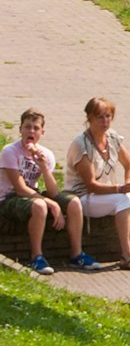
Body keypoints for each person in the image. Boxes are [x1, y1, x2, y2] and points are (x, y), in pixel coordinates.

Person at [0, 109, 98, 275]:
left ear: (42, 132)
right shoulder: (10, 151)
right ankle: (36, 257)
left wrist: (44, 167)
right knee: (40, 206)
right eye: (27, 127)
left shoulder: (46, 154)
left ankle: (77, 254)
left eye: (36, 128)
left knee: (74, 202)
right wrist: (51, 204)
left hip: (31, 194)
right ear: (20, 129)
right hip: (8, 198)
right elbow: (20, 188)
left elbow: (53, 191)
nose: (31, 131)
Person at [61, 97, 130, 271]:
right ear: (90, 119)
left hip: (107, 195)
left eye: (108, 116)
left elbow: (129, 164)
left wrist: (129, 184)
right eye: (100, 117)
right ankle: (126, 255)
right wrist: (120, 189)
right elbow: (91, 185)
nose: (105, 121)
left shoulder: (112, 137)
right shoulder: (81, 144)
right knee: (123, 201)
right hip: (83, 198)